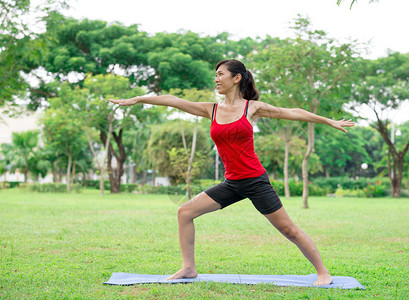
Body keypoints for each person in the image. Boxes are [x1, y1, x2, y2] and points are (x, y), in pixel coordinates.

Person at [109, 59, 354, 286]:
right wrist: (139, 98)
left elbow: (292, 112)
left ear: (236, 78)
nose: (216, 79)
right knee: (184, 212)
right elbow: (174, 100)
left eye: (220, 74)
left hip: (256, 181)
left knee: (288, 229)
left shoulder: (252, 108)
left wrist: (329, 120)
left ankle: (323, 272)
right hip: (231, 183)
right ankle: (188, 268)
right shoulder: (211, 109)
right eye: (215, 75)